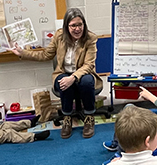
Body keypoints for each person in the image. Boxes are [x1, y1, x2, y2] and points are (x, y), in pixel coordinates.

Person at [11, 8, 101, 139]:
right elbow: (46, 54)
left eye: (80, 24)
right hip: (63, 73)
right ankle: (67, 118)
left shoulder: (90, 38)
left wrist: (73, 77)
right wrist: (22, 53)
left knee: (86, 81)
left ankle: (89, 117)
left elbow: (88, 65)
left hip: (83, 74)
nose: (77, 29)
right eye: (73, 25)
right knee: (63, 81)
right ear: (66, 26)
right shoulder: (59, 36)